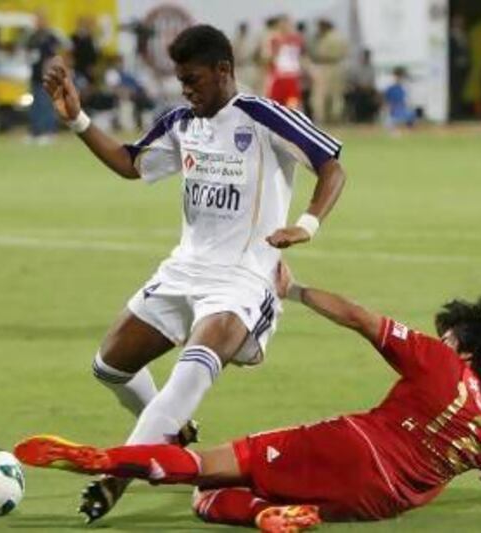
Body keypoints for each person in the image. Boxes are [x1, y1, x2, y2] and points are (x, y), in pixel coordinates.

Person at [40, 24, 346, 522]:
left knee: (188, 375)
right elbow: (130, 164)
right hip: (183, 271)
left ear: (224, 72)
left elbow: (331, 164)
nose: (186, 90)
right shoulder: (183, 121)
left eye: (194, 80)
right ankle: (169, 429)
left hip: (243, 280)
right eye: (181, 80)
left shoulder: (264, 117)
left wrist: (307, 224)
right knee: (110, 366)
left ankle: (115, 476)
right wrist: (77, 119)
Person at [15, 261, 481, 531]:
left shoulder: (441, 361)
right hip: (373, 505)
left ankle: (108, 461)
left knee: (206, 469)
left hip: (350, 446)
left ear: (467, 353)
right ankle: (266, 512)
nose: (443, 339)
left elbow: (360, 318)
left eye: (452, 336)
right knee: (211, 502)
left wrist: (294, 290)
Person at [26, 9, 63, 143]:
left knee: (46, 103)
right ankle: (35, 132)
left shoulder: (50, 36)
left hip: (47, 75)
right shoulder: (32, 37)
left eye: (40, 19)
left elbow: (54, 54)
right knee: (35, 104)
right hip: (34, 74)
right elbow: (28, 53)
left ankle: (49, 131)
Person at [309, 19, 347, 124]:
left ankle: (320, 118)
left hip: (324, 66)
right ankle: (335, 118)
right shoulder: (340, 37)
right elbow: (345, 52)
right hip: (338, 66)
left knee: (319, 95)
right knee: (336, 96)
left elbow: (318, 54)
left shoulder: (325, 38)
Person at [264, 15, 305, 109]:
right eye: (282, 25)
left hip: (292, 77)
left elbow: (301, 57)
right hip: (279, 77)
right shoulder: (274, 40)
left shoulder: (297, 40)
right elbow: (269, 58)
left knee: (292, 105)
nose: (285, 28)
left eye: (287, 25)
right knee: (276, 105)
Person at [449, 15, 471, 120]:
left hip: (464, 66)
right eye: (458, 22)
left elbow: (467, 50)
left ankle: (458, 112)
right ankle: (454, 113)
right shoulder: (450, 35)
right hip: (454, 67)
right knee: (455, 90)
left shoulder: (464, 35)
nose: (460, 24)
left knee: (460, 90)